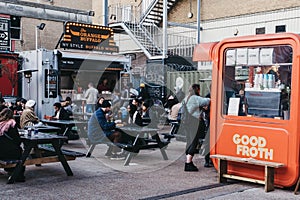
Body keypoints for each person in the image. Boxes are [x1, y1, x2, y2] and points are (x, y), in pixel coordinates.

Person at [182, 84, 210, 172]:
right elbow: (208, 101)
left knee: (189, 141)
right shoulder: (194, 98)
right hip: (194, 122)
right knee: (194, 142)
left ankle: (188, 161)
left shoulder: (186, 98)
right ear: (197, 89)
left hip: (186, 122)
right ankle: (188, 163)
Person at [0, 108, 25, 182]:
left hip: (0, 152)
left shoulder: (1, 124)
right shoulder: (12, 124)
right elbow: (17, 140)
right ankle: (19, 176)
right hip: (9, 153)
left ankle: (10, 170)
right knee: (22, 155)